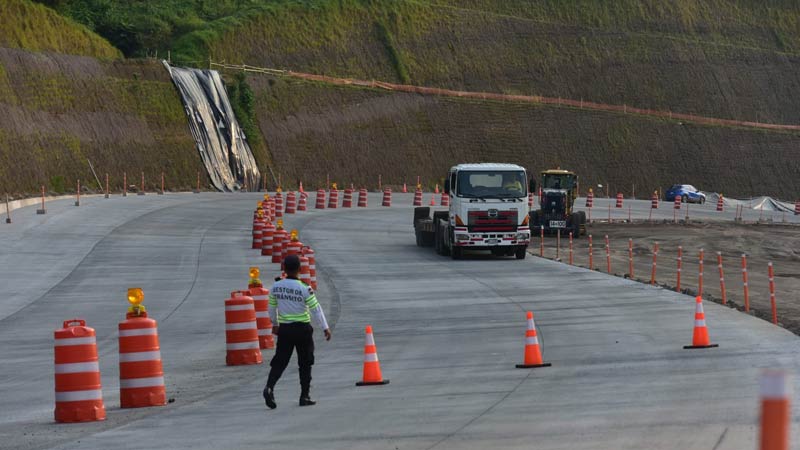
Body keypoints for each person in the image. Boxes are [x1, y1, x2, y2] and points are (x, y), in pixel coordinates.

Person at [263, 254, 332, 409]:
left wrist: (275, 324)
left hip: (285, 330)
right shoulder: (304, 288)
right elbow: (316, 309)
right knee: (305, 363)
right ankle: (304, 396)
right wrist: (325, 327)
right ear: (299, 269)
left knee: (280, 361)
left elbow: (271, 308)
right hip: (302, 330)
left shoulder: (276, 287)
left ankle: (269, 387)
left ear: (284, 269)